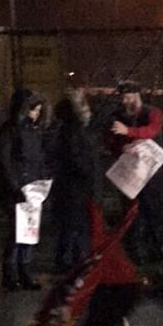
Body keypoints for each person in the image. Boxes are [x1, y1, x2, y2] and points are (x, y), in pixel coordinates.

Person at [105, 81, 163, 262]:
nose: (124, 101)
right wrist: (120, 147)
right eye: (122, 97)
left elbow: (152, 129)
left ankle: (154, 249)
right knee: (131, 212)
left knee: (153, 210)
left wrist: (129, 131)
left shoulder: (152, 113)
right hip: (130, 170)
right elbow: (109, 139)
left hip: (150, 170)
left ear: (136, 95)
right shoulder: (118, 116)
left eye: (127, 97)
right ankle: (133, 251)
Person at [0, 88, 46, 291]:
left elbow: (38, 159)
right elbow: (5, 161)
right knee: (17, 233)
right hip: (18, 189)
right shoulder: (11, 130)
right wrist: (15, 186)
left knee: (29, 232)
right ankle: (10, 274)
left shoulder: (32, 130)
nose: (37, 115)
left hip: (33, 188)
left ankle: (25, 272)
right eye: (35, 110)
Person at [51, 88, 99, 272]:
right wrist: (87, 171)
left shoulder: (67, 128)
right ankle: (68, 260)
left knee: (72, 224)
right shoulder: (73, 130)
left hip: (71, 185)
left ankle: (72, 258)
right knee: (73, 224)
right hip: (75, 185)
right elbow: (75, 156)